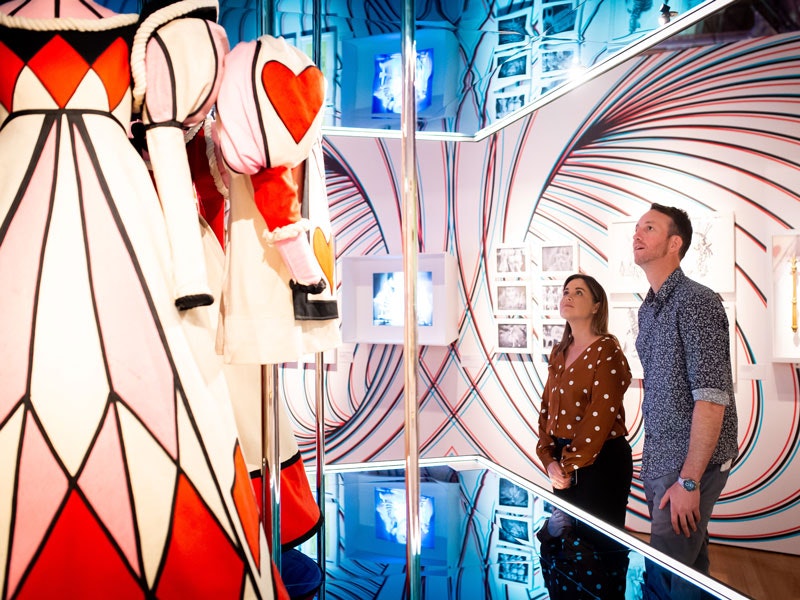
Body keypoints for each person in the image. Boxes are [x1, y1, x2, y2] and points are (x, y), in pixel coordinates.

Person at [633, 204, 738, 599]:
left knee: (663, 573)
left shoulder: (697, 302)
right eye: (637, 228)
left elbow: (711, 398)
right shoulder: (649, 309)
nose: (637, 234)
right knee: (691, 569)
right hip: (662, 459)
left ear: (675, 243)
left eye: (649, 227)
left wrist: (689, 481)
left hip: (689, 466)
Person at [536, 273, 633, 599]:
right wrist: (549, 459)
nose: (568, 296)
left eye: (579, 292)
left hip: (601, 463)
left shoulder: (607, 350)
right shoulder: (559, 352)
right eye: (566, 291)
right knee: (563, 544)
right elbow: (547, 412)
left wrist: (566, 465)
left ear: (596, 306)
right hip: (565, 464)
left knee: (598, 551)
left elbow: (599, 419)